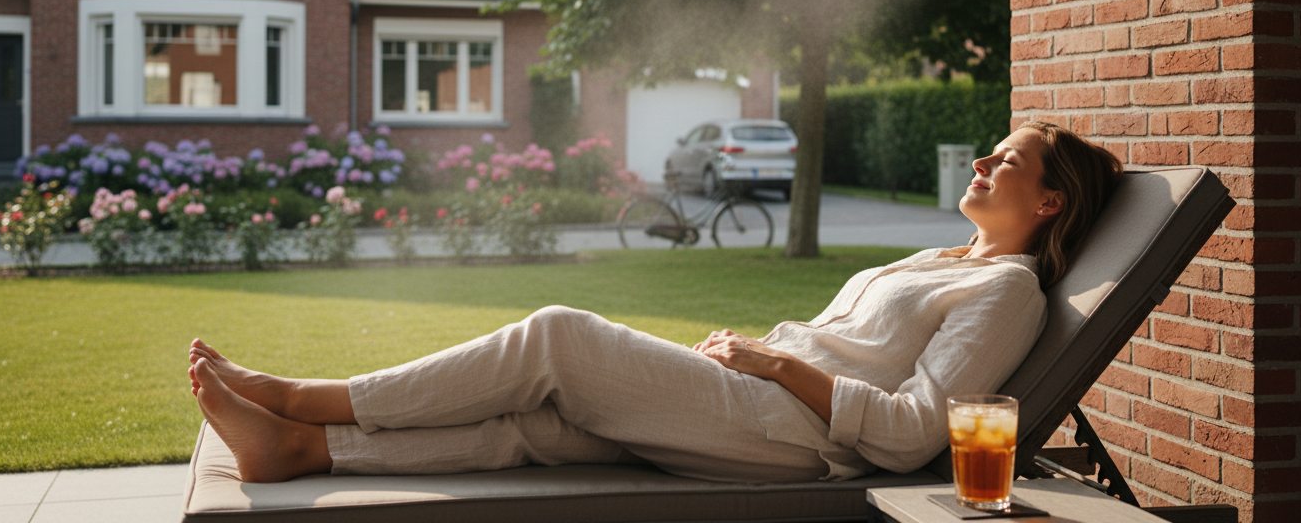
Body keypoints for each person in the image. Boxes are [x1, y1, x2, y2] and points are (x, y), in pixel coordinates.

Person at [189, 121, 1122, 484]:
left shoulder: (1005, 291)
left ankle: (302, 398)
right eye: (986, 149)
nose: (983, 162)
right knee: (534, 425)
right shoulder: (943, 254)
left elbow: (916, 432)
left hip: (797, 439)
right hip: (760, 401)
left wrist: (776, 364)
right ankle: (303, 449)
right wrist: (763, 352)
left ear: (1049, 203)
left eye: (1009, 160)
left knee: (559, 338)